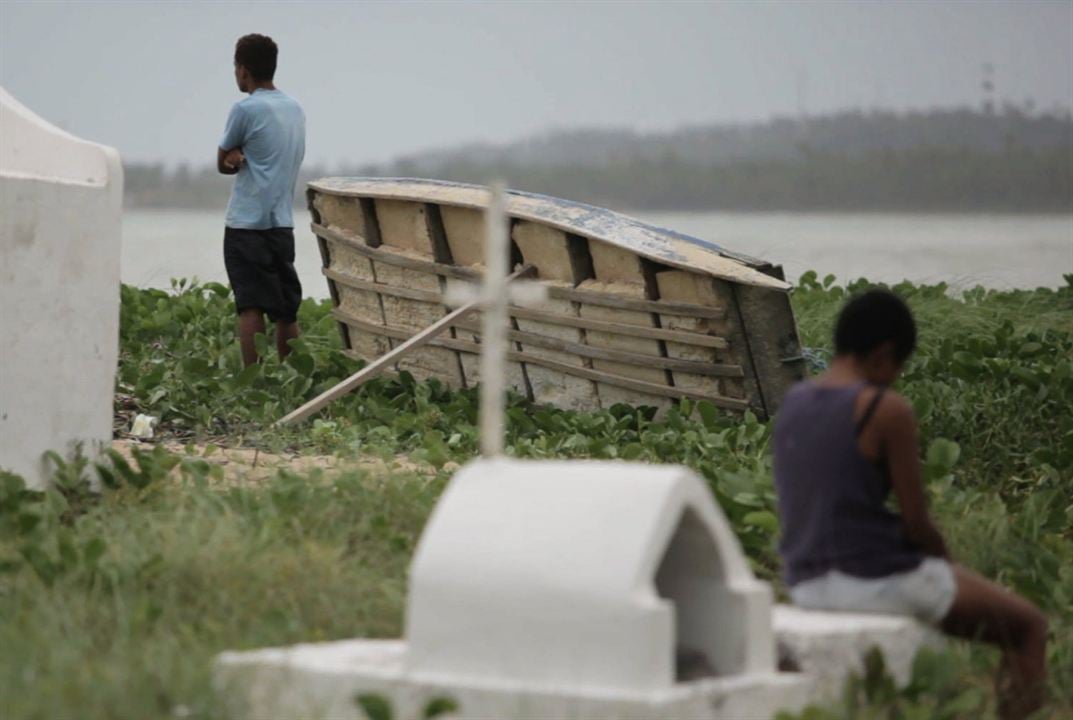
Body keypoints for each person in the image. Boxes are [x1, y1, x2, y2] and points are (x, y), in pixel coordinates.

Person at [773, 289, 1048, 719]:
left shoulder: (793, 403)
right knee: (1028, 628)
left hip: (804, 580)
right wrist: (946, 566)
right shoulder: (885, 409)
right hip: (871, 579)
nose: (895, 378)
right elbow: (917, 524)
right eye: (898, 366)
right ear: (884, 355)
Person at [217, 33, 306, 366]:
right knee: (286, 308)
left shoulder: (244, 109)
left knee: (250, 304)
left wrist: (236, 156)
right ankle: (294, 377)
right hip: (281, 222)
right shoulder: (295, 108)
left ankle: (253, 381)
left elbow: (222, 161)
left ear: (242, 70)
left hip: (245, 223)